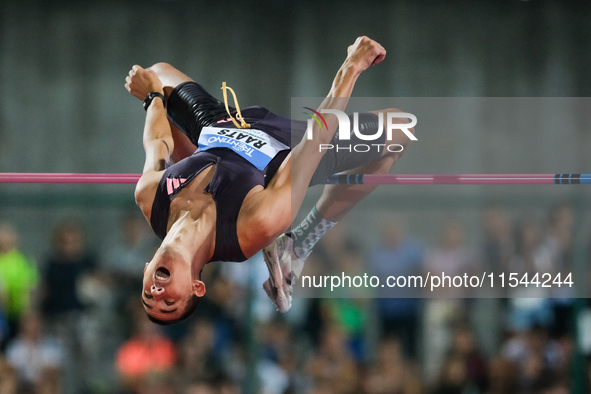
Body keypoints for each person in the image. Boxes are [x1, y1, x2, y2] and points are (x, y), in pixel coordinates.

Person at [126, 36, 414, 324]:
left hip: (220, 127)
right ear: (196, 287)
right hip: (290, 147)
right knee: (400, 127)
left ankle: (293, 244)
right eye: (169, 301)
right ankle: (301, 241)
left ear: (146, 270)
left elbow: (157, 141)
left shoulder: (150, 197)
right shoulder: (251, 226)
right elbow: (316, 140)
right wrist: (352, 65)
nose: (157, 291)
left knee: (156, 73)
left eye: (148, 295)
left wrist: (153, 98)